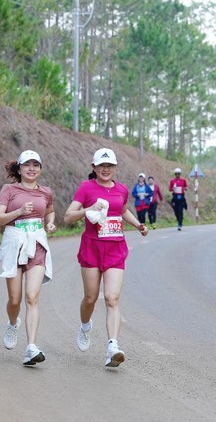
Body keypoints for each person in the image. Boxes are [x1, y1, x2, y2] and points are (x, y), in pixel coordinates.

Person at [64, 148, 149, 368]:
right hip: (92, 248)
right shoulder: (86, 188)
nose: (105, 169)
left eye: (109, 166)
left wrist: (138, 224)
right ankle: (85, 326)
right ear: (94, 167)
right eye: (101, 166)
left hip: (115, 249)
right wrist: (88, 209)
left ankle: (113, 347)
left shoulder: (121, 189)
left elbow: (122, 210)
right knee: (91, 298)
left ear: (115, 168)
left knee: (112, 298)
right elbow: (68, 216)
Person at [0, 150, 56, 366]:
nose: (31, 168)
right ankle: (12, 323)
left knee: (32, 297)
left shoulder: (45, 192)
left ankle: (31, 347)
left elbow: (50, 210)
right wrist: (19, 211)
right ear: (19, 169)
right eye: (27, 165)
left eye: (35, 165)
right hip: (14, 243)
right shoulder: (9, 189)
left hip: (36, 243)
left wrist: (50, 223)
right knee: (15, 299)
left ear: (40, 169)